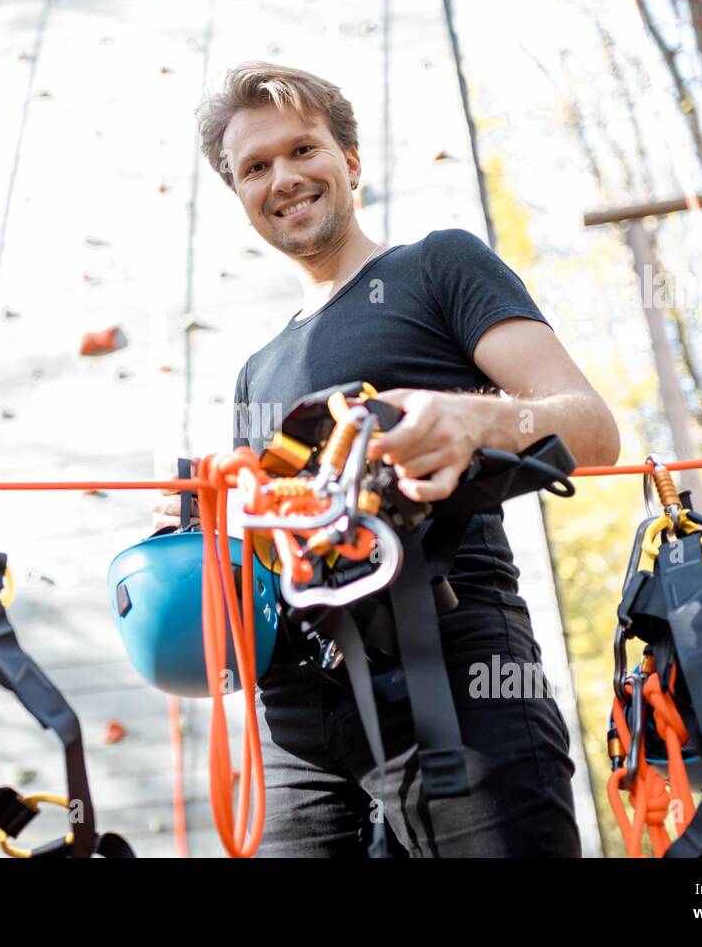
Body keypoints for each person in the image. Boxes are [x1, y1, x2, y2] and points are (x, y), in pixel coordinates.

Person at [153, 62, 620, 857]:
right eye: (255, 167)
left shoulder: (438, 266)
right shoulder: (256, 371)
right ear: (240, 195)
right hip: (296, 716)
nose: (284, 178)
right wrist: (207, 535)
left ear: (352, 161)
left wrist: (475, 418)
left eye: (303, 149)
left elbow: (593, 430)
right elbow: (275, 552)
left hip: (455, 671)